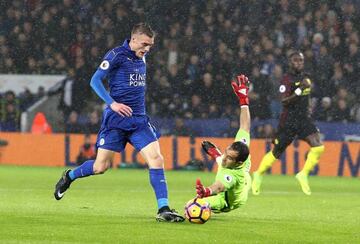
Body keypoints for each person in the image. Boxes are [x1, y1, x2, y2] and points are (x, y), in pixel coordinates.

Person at [53, 23, 184, 222]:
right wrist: (112, 103)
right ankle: (69, 177)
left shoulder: (142, 56)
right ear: (133, 39)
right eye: (144, 44)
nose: (147, 49)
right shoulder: (115, 55)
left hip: (139, 120)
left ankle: (163, 208)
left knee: (156, 159)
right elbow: (95, 81)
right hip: (115, 121)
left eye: (150, 45)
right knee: (100, 167)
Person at [252, 51, 325, 196]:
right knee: (277, 152)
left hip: (304, 119)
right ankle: (258, 174)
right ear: (290, 63)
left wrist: (308, 106)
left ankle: (303, 174)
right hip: (289, 121)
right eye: (295, 60)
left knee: (318, 146)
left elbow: (307, 96)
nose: (298, 63)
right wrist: (299, 90)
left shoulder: (305, 77)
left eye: (301, 60)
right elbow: (284, 101)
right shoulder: (286, 80)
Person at [195, 74, 252, 212]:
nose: (225, 158)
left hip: (226, 200)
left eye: (230, 158)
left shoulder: (232, 175)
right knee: (224, 161)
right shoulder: (240, 148)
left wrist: (207, 191)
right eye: (226, 153)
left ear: (238, 163)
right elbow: (245, 126)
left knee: (192, 205)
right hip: (245, 179)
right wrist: (244, 101)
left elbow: (219, 186)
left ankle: (211, 207)